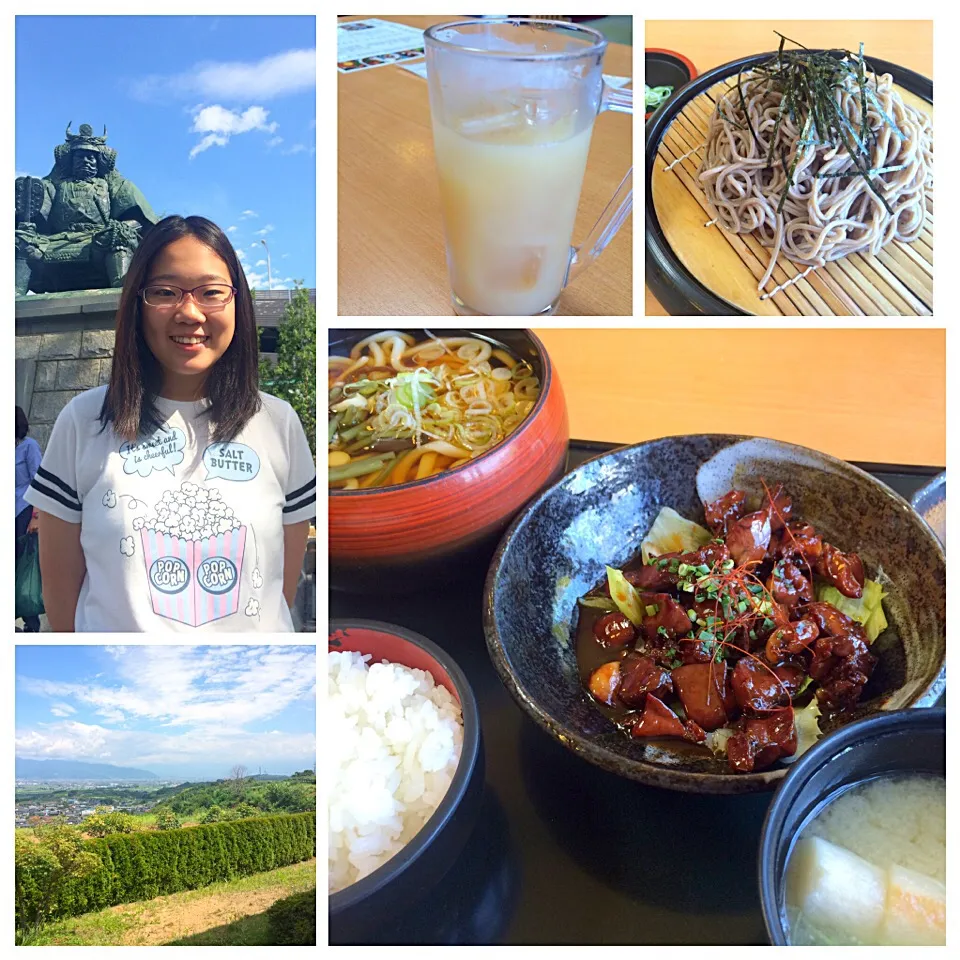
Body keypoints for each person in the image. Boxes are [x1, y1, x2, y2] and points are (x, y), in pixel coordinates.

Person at [24, 215, 316, 632]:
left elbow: (277, 594)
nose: (189, 312)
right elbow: (64, 610)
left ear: (238, 302)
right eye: (165, 292)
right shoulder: (83, 420)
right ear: (137, 304)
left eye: (211, 292)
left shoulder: (277, 421)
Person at [15, 406, 42, 631]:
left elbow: (38, 483)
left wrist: (36, 517)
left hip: (23, 512)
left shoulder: (29, 447)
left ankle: (31, 624)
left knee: (24, 568)